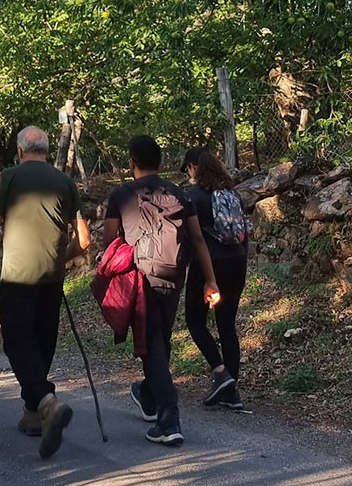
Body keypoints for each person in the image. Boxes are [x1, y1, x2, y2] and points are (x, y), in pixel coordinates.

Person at [0, 126, 91, 459]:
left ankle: (47, 403)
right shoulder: (65, 182)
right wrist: (59, 259)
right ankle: (33, 413)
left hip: (17, 277)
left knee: (16, 342)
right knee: (41, 344)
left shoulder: (9, 178)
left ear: (21, 151)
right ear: (46, 149)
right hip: (51, 282)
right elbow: (84, 240)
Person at [103, 135, 219, 446]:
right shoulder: (181, 194)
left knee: (152, 344)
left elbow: (110, 242)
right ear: (161, 160)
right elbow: (197, 239)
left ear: (132, 162)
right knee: (160, 339)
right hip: (174, 276)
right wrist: (210, 280)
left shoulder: (121, 195)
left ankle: (169, 419)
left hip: (140, 278)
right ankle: (149, 395)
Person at [182, 148, 250, 410]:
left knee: (195, 320)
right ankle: (231, 391)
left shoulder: (194, 196)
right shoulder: (233, 194)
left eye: (187, 169)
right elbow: (244, 232)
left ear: (193, 167)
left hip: (208, 265)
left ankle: (220, 371)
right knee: (227, 325)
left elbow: (192, 237)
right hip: (237, 261)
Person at [54, 100, 88, 192]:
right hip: (67, 127)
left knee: (71, 150)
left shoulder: (76, 118)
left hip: (70, 127)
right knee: (64, 152)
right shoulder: (65, 118)